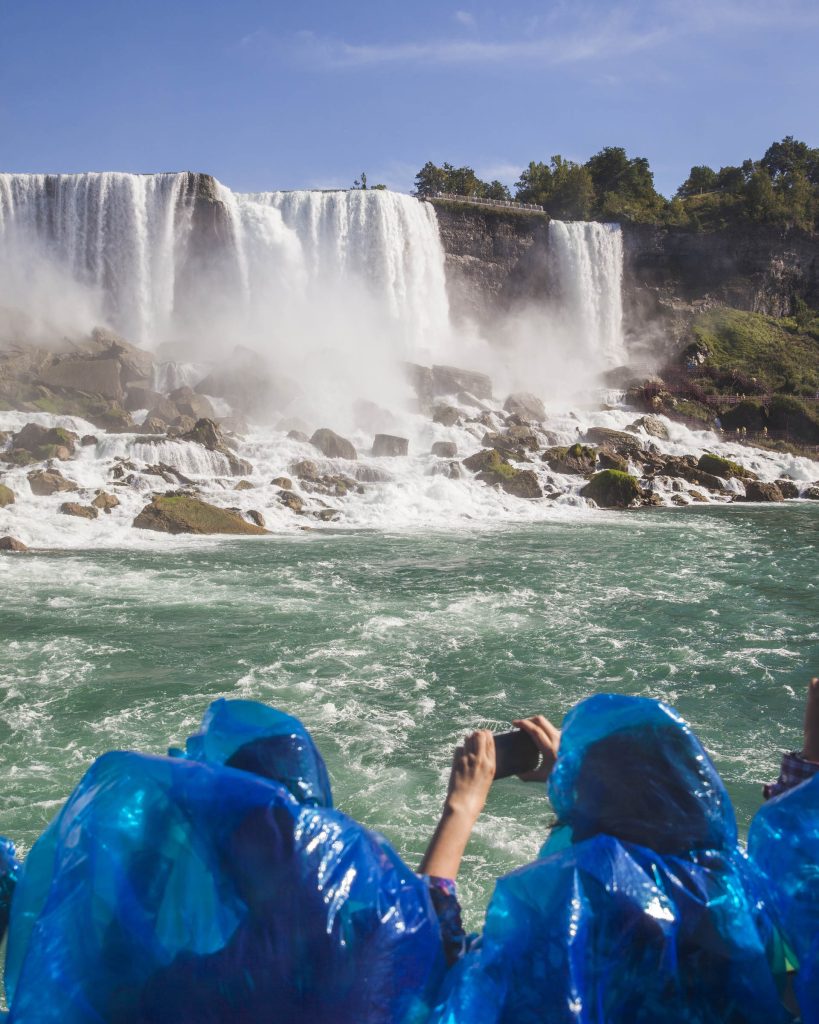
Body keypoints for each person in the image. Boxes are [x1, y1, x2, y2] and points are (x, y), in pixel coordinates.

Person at [4, 700, 445, 1023]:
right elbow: (440, 929)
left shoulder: (209, 984)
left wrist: (159, 836)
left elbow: (104, 991)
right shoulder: (381, 928)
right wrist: (460, 807)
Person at [426, 695, 791, 1024]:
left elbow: (429, 962)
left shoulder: (587, 926)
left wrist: (462, 806)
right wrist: (575, 789)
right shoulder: (743, 897)